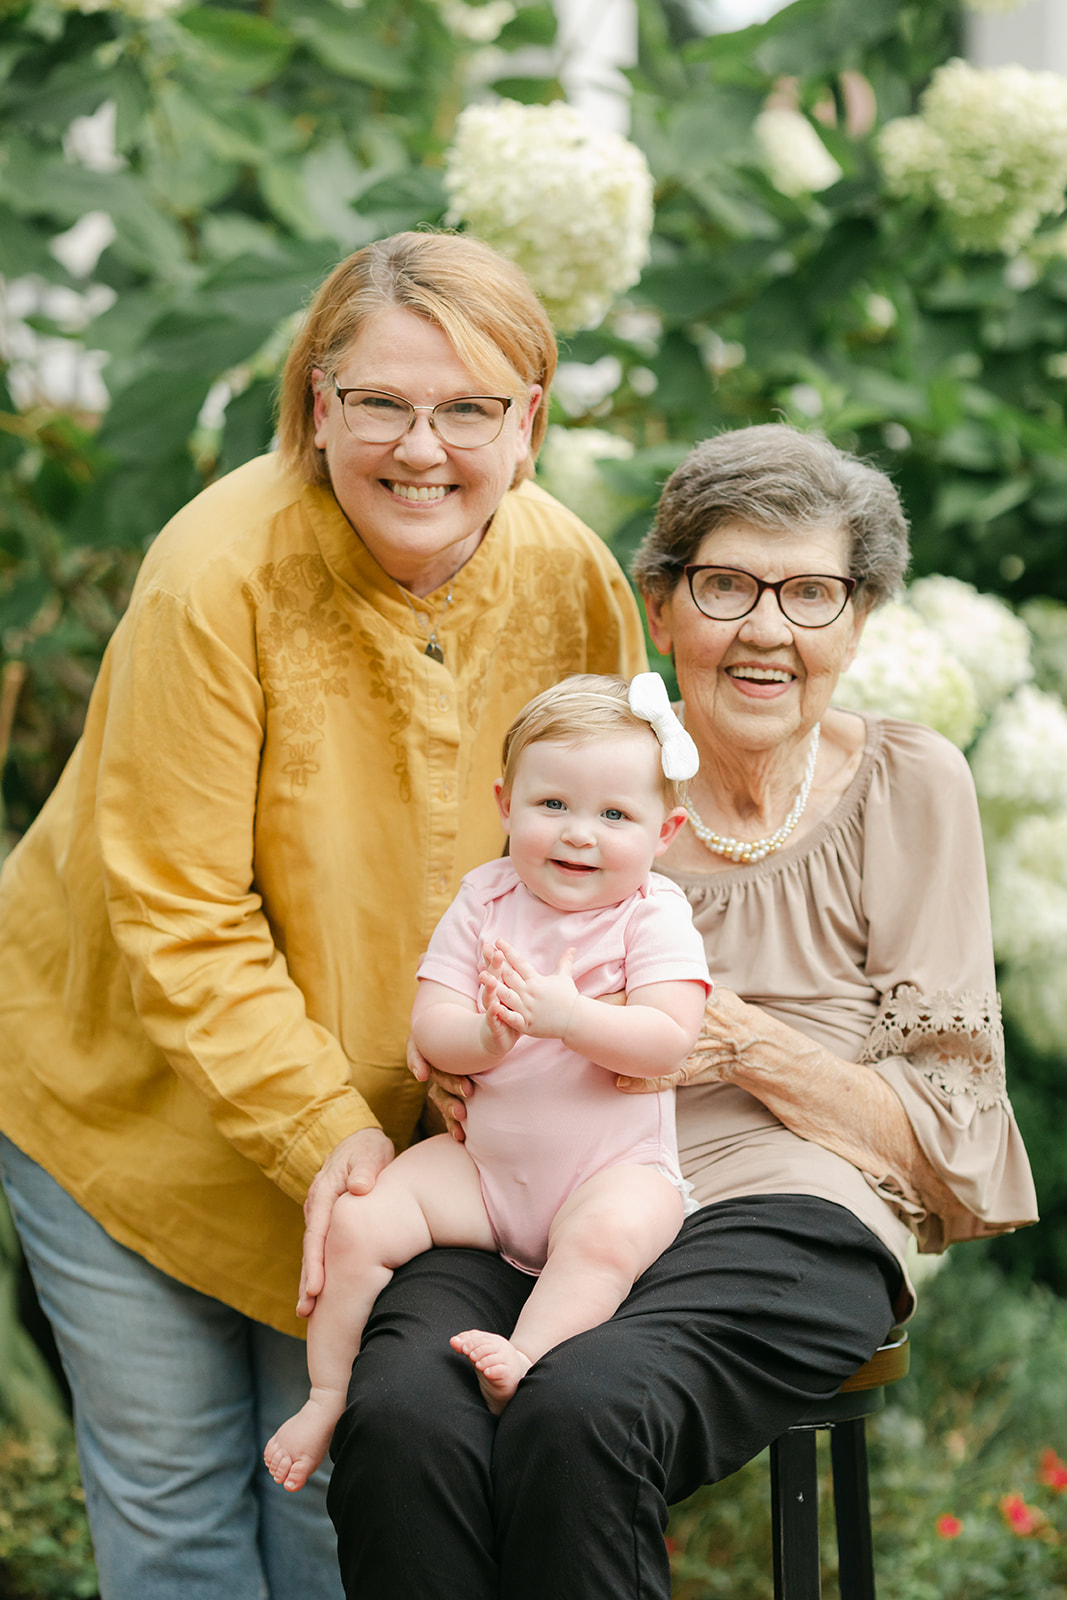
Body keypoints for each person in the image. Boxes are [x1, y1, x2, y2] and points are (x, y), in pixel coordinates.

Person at [0, 230, 647, 1600]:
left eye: (468, 407)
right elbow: (176, 912)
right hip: (128, 1108)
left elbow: (598, 876)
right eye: (379, 404)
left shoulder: (573, 581)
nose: (423, 448)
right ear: (316, 406)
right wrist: (329, 1138)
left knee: (339, 1520)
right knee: (180, 1521)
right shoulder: (216, 573)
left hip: (389, 1163)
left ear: (528, 419)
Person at [324, 422, 1039, 1600]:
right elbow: (454, 974)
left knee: (583, 1408)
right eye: (725, 585)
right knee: (402, 1416)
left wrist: (740, 1040)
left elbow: (946, 1141)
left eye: (811, 592)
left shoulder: (911, 787)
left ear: (857, 622)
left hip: (779, 1210)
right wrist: (453, 1056)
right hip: (523, 1189)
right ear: (661, 605)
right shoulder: (566, 769)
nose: (767, 629)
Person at [264, 671, 710, 1488]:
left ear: (665, 830)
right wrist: (487, 1032)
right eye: (553, 807)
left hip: (607, 1172)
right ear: (506, 805)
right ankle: (327, 1391)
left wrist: (569, 1018)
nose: (580, 834)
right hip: (485, 1170)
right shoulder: (486, 896)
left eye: (614, 815)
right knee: (359, 1222)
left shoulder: (653, 914)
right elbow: (430, 1031)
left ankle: (525, 1357)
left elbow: (666, 1040)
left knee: (611, 1236)